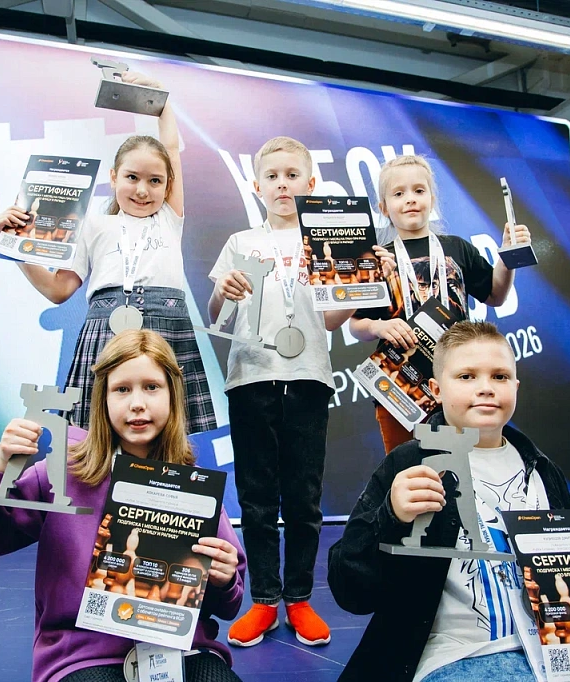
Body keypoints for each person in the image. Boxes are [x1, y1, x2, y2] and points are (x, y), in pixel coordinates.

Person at [328, 321, 570, 682]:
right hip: (461, 657)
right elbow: (350, 591)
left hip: (564, 655)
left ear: (515, 387)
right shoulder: (408, 465)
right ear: (436, 389)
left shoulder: (543, 470)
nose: (485, 387)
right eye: (466, 376)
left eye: (499, 376)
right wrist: (391, 517)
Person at [0, 329, 245, 682]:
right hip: (84, 656)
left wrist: (224, 580)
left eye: (152, 387)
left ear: (173, 395)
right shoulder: (58, 475)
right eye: (122, 389)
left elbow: (229, 603)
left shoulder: (193, 486)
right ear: (102, 399)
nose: (137, 403)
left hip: (181, 651)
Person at [207, 136, 392, 649]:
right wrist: (222, 290)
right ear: (257, 185)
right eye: (273, 176)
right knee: (257, 496)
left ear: (311, 183)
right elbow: (218, 316)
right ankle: (264, 599)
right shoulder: (240, 242)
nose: (282, 184)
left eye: (292, 175)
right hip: (250, 376)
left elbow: (332, 320)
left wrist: (362, 278)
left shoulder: (330, 240)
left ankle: (300, 598)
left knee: (304, 496)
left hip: (309, 376)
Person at [0, 70, 216, 436]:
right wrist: (15, 245)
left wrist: (160, 100)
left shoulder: (169, 217)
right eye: (132, 177)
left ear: (168, 185)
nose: (142, 190)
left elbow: (172, 149)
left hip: (167, 327)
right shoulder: (92, 224)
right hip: (104, 328)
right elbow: (58, 289)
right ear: (114, 177)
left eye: (155, 181)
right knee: (97, 435)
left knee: (167, 433)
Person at [349, 154, 531, 454]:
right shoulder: (379, 258)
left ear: (432, 199)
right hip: (399, 383)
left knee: (461, 467)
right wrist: (380, 327)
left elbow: (495, 295)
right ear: (383, 208)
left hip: (459, 380)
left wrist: (507, 256)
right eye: (398, 193)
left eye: (419, 190)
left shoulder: (457, 248)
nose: (410, 199)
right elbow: (356, 325)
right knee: (406, 467)